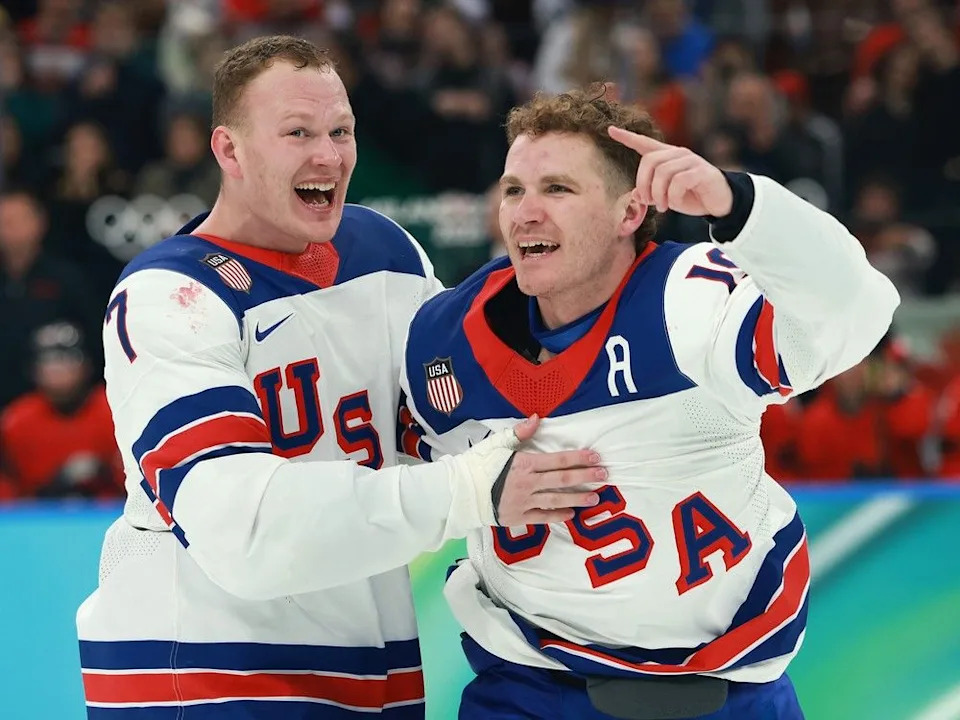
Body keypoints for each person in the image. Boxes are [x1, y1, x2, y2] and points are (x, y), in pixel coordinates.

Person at [75, 35, 605, 719]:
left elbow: (448, 432)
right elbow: (246, 537)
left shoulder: (387, 252)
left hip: (368, 664)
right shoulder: (170, 296)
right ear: (229, 151)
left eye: (341, 131)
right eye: (297, 132)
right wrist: (471, 487)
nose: (327, 154)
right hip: (207, 673)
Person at [398, 87, 899, 719]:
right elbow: (386, 487)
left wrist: (738, 202)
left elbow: (856, 311)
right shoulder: (442, 341)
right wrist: (468, 489)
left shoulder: (691, 303)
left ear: (630, 211)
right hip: (530, 685)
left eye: (557, 189)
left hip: (728, 686)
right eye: (514, 189)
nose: (526, 212)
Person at [0, 321, 122, 499]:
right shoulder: (15, 421)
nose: (57, 368)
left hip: (114, 515)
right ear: (33, 369)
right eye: (48, 360)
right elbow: (10, 490)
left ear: (87, 365)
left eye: (68, 357)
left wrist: (105, 471)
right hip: (36, 520)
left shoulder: (116, 410)